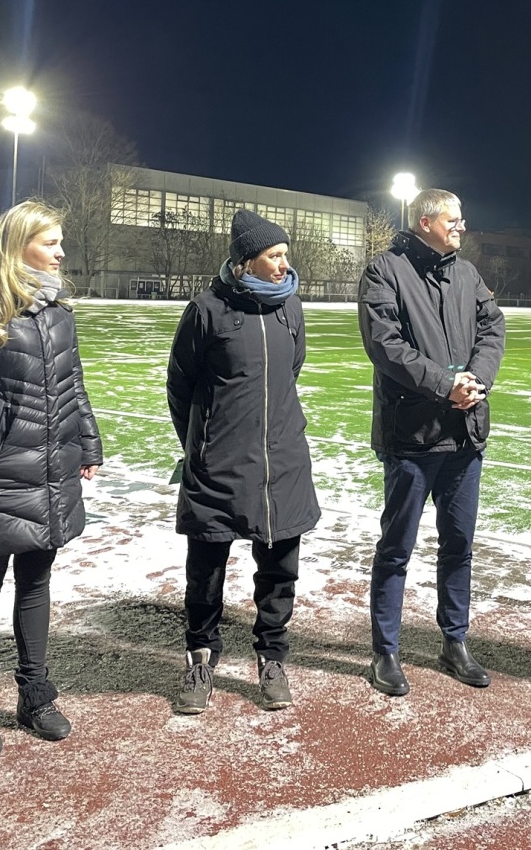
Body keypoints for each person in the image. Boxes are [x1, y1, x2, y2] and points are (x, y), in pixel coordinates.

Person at [0, 200, 102, 758]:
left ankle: (35, 694)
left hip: (52, 467)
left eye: (60, 243)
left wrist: (89, 442)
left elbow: (73, 383)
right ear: (18, 245)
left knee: (37, 581)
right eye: (50, 243)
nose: (61, 253)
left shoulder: (59, 311)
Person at [166, 209, 319, 714]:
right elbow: (180, 386)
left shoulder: (289, 309)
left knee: (279, 569)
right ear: (246, 260)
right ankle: (200, 657)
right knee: (205, 571)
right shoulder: (206, 310)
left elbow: (291, 370)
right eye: (274, 256)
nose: (283, 265)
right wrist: (202, 445)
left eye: (284, 255)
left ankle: (272, 656)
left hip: (283, 464)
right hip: (218, 465)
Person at [358, 188, 506, 697]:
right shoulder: (385, 270)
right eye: (454, 220)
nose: (462, 227)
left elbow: (492, 327)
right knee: (397, 547)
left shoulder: (465, 273)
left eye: (463, 220)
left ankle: (454, 640)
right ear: (425, 222)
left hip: (464, 437)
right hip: (412, 439)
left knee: (459, 544)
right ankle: (386, 650)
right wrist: (447, 384)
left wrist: (476, 380)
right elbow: (386, 346)